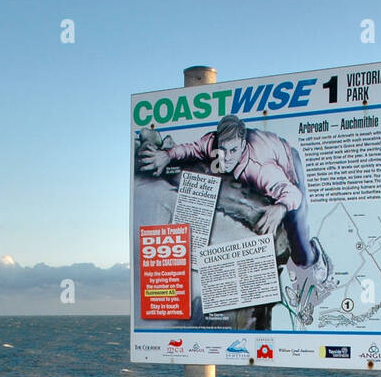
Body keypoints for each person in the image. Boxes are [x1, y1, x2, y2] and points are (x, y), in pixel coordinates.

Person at [136, 115, 333, 315]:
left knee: (298, 236)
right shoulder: (213, 143)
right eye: (223, 150)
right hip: (256, 163)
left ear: (243, 144)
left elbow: (293, 194)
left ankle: (316, 262)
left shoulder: (262, 170)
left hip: (287, 161)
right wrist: (167, 155)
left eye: (233, 150)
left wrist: (280, 208)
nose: (227, 156)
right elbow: (192, 148)